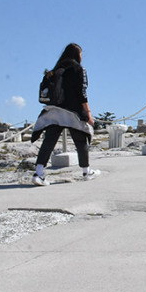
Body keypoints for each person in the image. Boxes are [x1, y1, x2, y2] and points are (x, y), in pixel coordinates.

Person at [30, 43, 100, 186]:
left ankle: (38, 173)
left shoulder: (56, 69)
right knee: (81, 141)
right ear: (77, 55)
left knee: (48, 141)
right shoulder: (78, 69)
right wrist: (88, 113)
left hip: (54, 111)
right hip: (72, 111)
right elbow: (82, 93)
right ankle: (87, 172)